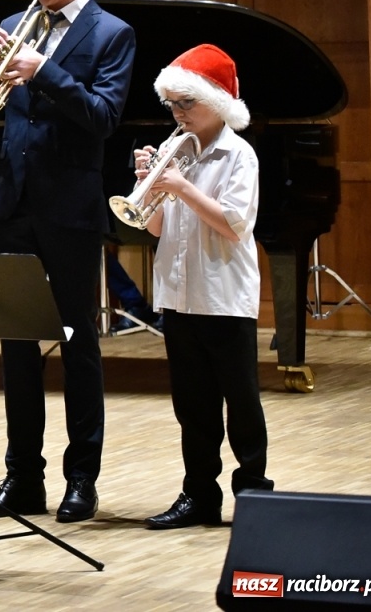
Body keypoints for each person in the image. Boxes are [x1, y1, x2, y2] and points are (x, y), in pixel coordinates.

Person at [0, 0, 135, 525]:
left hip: (69, 209)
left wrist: (45, 73)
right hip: (13, 206)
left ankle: (81, 478)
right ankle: (22, 476)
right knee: (16, 345)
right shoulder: (14, 25)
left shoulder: (110, 33)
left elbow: (101, 116)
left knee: (77, 344)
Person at [135, 44, 273, 528]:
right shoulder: (180, 153)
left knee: (241, 402)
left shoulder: (239, 155)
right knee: (192, 407)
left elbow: (234, 224)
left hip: (223, 298)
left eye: (186, 103)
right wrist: (150, 189)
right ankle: (199, 495)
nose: (177, 113)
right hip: (179, 296)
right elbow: (154, 231)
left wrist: (180, 187)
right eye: (171, 104)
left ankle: (254, 494)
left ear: (215, 100)